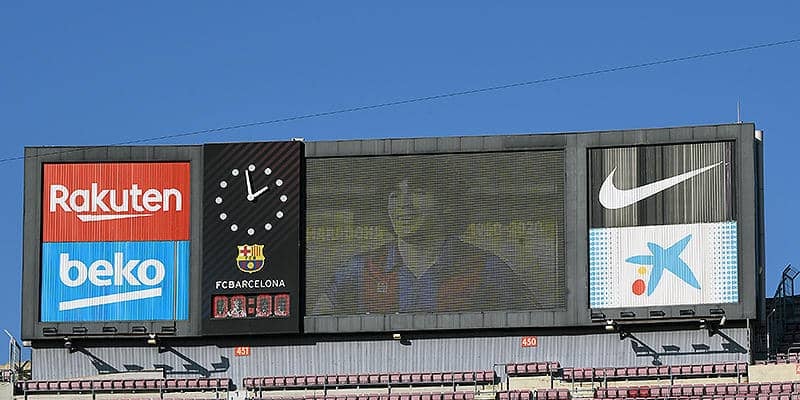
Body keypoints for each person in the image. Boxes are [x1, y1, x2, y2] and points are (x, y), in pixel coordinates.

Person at [326, 173, 532, 314]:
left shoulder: (486, 268)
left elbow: (532, 325)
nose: (403, 204)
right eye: (394, 195)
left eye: (418, 193)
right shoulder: (359, 269)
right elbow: (319, 322)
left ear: (446, 204)